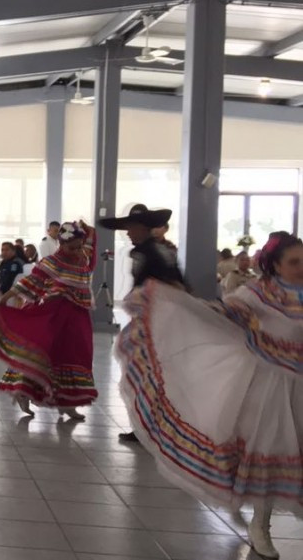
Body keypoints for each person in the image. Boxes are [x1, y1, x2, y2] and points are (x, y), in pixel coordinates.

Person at [116, 232, 303, 559]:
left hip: (299, 385)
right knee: (268, 451)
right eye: (294, 262)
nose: (301, 268)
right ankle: (262, 526)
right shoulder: (258, 293)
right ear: (275, 265)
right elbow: (222, 312)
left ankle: (262, 522)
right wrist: (174, 301)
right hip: (268, 387)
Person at [0, 221, 97, 419]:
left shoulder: (83, 257)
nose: (77, 251)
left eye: (79, 246)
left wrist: (86, 228)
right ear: (61, 244)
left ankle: (68, 403)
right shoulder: (52, 261)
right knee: (43, 353)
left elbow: (91, 238)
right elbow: (29, 282)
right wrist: (2, 300)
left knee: (76, 355)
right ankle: (22, 392)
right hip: (54, 314)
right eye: (72, 247)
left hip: (77, 316)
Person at [98, 204, 186, 443]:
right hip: (156, 321)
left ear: (143, 228)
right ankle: (148, 426)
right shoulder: (155, 250)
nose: (127, 232)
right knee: (149, 375)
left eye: (131, 228)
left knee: (147, 375)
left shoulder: (151, 252)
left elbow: (171, 286)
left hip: (158, 323)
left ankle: (149, 427)